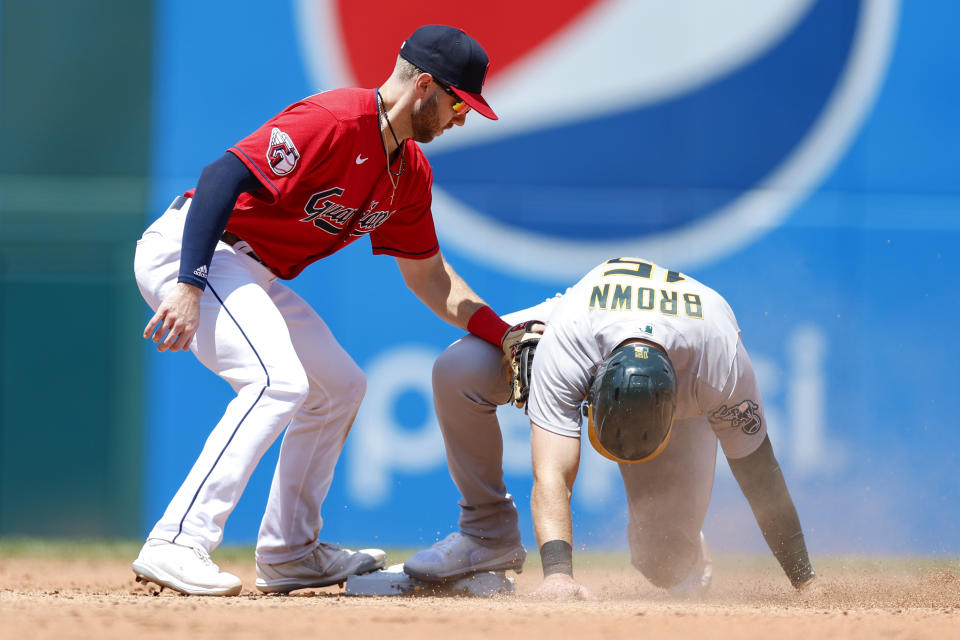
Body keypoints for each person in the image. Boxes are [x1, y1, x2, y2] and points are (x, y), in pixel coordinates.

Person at [131, 25, 522, 596]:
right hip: (197, 249)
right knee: (276, 380)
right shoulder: (337, 121)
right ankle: (176, 540)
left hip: (251, 271)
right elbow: (220, 177)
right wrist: (189, 283)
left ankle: (290, 551)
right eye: (459, 103)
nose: (461, 117)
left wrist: (502, 333)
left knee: (339, 385)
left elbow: (430, 276)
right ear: (426, 87)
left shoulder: (409, 173)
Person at [403, 257, 818, 600]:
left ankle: (689, 550)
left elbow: (762, 477)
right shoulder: (568, 348)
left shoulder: (720, 367)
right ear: (592, 386)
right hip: (586, 318)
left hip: (673, 345)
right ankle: (486, 534)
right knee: (458, 370)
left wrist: (806, 582)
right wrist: (558, 576)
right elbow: (552, 474)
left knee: (664, 560)